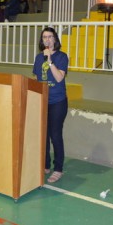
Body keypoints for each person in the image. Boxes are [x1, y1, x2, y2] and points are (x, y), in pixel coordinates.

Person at [33, 27, 68, 183]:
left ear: (55, 40)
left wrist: (50, 60)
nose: (47, 40)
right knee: (43, 135)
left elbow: (59, 78)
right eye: (44, 37)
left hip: (57, 101)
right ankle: (45, 165)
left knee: (55, 134)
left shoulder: (61, 57)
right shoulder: (38, 58)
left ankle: (58, 169)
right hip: (42, 100)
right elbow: (37, 78)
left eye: (50, 37)